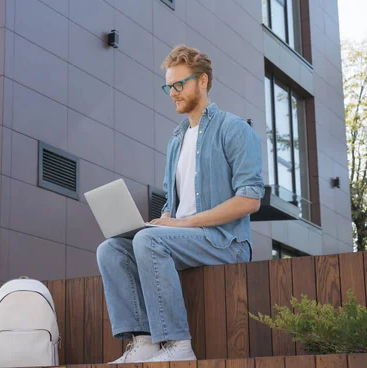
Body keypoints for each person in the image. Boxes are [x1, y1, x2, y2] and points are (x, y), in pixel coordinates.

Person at [96, 45, 265, 363]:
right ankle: (144, 341)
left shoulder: (234, 130)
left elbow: (250, 200)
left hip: (226, 242)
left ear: (202, 81)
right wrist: (161, 221)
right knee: (111, 249)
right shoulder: (177, 140)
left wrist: (181, 224)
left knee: (149, 241)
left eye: (179, 84)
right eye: (168, 86)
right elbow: (172, 207)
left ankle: (177, 345)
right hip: (183, 240)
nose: (172, 92)